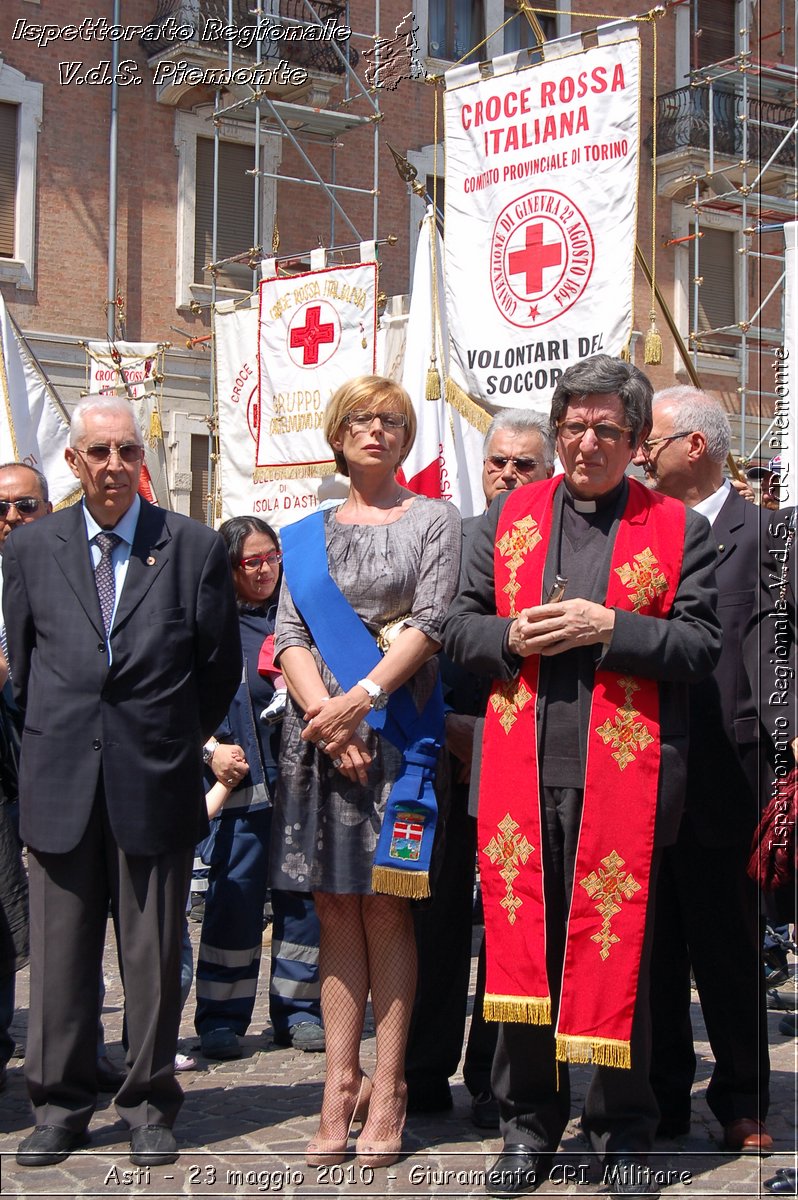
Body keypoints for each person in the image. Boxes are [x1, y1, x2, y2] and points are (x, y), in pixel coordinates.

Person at [443, 354, 722, 1199]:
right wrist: (509, 639)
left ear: (639, 441)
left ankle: (621, 1132)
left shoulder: (680, 531)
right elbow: (456, 630)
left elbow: (702, 646)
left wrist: (612, 625)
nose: (587, 442)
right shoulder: (502, 522)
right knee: (519, 960)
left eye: (606, 428)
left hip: (623, 783)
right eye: (574, 426)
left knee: (619, 959)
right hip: (518, 777)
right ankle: (527, 1126)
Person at [3, 395, 242, 1168]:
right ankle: (61, 1104)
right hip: (62, 779)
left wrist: (165, 738)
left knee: (149, 956)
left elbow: (216, 672)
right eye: (98, 452)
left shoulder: (194, 548)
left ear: (142, 460)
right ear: (72, 462)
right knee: (62, 958)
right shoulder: (31, 550)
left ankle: (147, 1102)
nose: (113, 466)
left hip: (155, 779)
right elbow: (26, 668)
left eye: (126, 452)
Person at [271, 375, 461, 1168]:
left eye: (390, 419)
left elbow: (434, 618)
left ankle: (389, 1087)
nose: (375, 430)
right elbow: (288, 635)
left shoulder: (434, 519)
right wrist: (327, 719)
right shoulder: (303, 535)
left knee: (387, 913)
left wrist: (363, 700)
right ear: (337, 434)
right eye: (360, 419)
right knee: (334, 911)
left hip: (401, 744)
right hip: (324, 747)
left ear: (406, 435)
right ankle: (335, 1085)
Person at [406, 409, 554, 1129]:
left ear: (548, 471)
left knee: (510, 923)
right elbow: (415, 644)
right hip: (445, 759)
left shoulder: (567, 546)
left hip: (526, 762)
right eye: (498, 462)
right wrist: (450, 730)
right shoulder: (453, 537)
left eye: (525, 465)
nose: (507, 475)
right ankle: (422, 1068)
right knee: (433, 923)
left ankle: (496, 1075)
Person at [633, 386, 772, 1152]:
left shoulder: (770, 535)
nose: (640, 454)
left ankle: (744, 1097)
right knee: (653, 947)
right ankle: (661, 1094)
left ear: (695, 446)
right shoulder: (639, 531)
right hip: (645, 765)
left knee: (727, 946)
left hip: (731, 773)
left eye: (650, 441)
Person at [194, 515, 323, 1061]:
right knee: (234, 902)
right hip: (241, 790)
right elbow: (176, 704)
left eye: (273, 557)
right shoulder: (206, 626)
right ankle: (222, 1016)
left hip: (300, 785)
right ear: (229, 567)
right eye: (253, 561)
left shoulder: (298, 620)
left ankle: (298, 1011)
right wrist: (210, 749)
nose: (267, 569)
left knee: (303, 903)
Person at [0, 463, 51, 1094]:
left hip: (45, 759)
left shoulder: (64, 569)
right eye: (2, 507)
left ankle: (78, 1044)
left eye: (25, 506)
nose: (12, 517)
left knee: (62, 911)